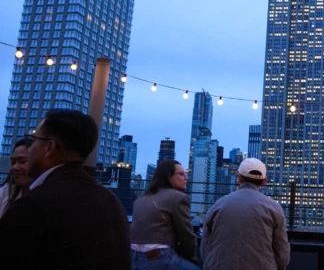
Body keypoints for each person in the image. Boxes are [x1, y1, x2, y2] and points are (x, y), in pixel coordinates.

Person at [0, 109, 131, 269]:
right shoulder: (111, 201)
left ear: (49, 147)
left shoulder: (34, 206)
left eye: (34, 139)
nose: (31, 148)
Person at [201, 158, 290, 270]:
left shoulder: (218, 204)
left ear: (239, 178)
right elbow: (282, 256)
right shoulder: (273, 208)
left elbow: (205, 247)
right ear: (264, 181)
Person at [130, 159, 200, 270]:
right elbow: (186, 235)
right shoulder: (178, 197)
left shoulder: (140, 199)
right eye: (181, 174)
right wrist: (192, 259)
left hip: (132, 258)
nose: (186, 178)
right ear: (169, 176)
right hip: (159, 257)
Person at [0, 137, 33, 218]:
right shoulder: (6, 192)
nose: (15, 167)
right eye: (13, 162)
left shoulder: (49, 197)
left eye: (22, 162)